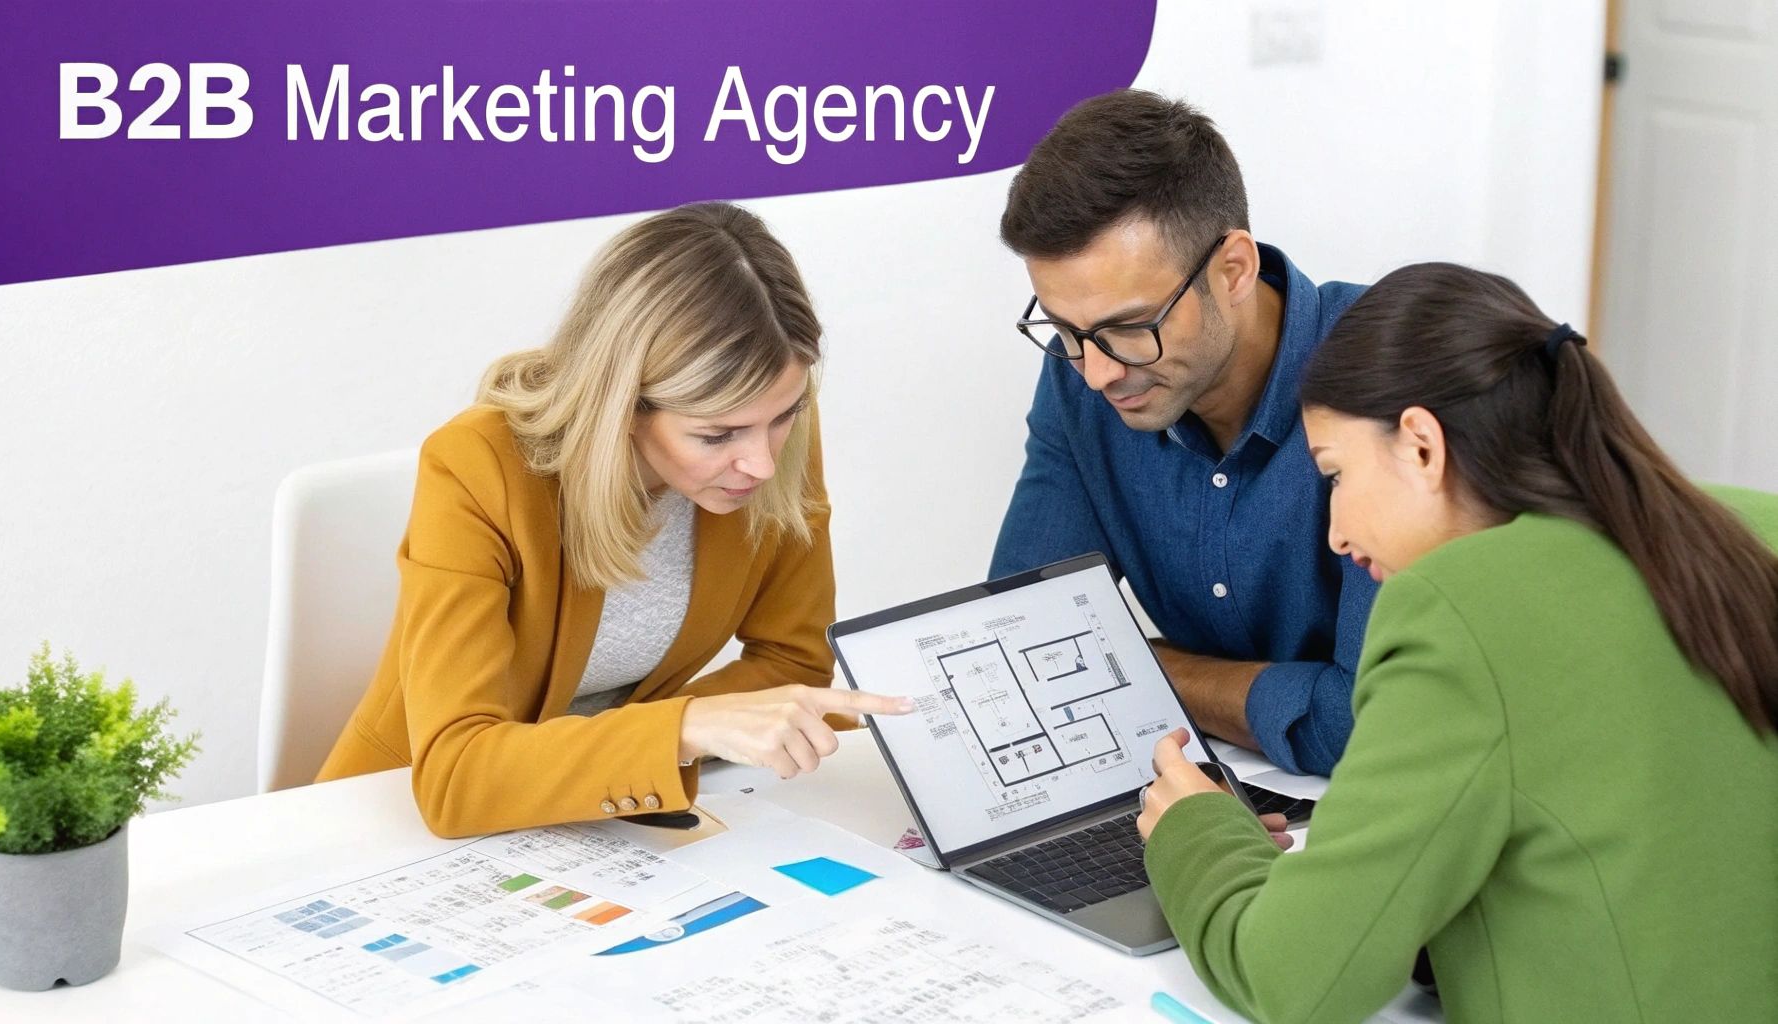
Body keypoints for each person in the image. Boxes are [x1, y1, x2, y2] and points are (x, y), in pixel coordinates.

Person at [1137, 262, 1778, 1022]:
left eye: (1334, 475)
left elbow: (1296, 981)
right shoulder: (1746, 531)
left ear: (1420, 445)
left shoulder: (1459, 610)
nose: (1336, 533)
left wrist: (1199, 834)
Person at [318, 202, 911, 838]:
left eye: (786, 413)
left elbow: (793, 664)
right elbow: (458, 776)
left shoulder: (767, 428)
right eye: (716, 435)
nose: (762, 462)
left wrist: (668, 738)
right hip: (399, 820)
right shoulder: (475, 467)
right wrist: (681, 728)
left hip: (614, 813)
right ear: (622, 404)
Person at [992, 89, 1375, 776]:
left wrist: (1142, 668)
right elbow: (1026, 645)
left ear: (1233, 270)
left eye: (1130, 327)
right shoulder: (1085, 375)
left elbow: (1367, 727)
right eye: (1066, 331)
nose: (1097, 373)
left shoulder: (1392, 381)